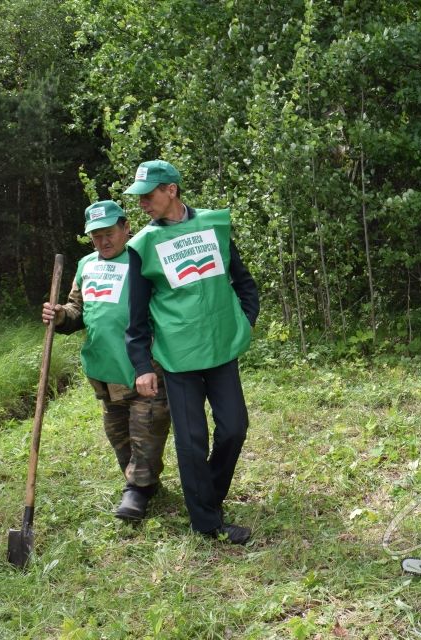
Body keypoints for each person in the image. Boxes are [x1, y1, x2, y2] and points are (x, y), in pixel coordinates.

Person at [124, 159, 258, 544]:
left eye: (148, 195)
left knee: (234, 428)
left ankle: (207, 496)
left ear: (171, 190)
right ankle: (207, 523)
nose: (142, 204)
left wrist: (244, 321)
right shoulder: (143, 244)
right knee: (192, 439)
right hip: (177, 358)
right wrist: (141, 365)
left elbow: (243, 281)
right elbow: (136, 316)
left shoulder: (214, 226)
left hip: (219, 349)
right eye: (139, 198)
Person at [42, 200, 171, 521]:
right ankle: (143, 482)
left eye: (109, 233)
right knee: (119, 436)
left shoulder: (143, 260)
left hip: (143, 370)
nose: (104, 241)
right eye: (96, 236)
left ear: (126, 227)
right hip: (104, 373)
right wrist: (60, 316)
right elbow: (77, 312)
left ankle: (137, 490)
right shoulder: (86, 265)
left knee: (147, 432)